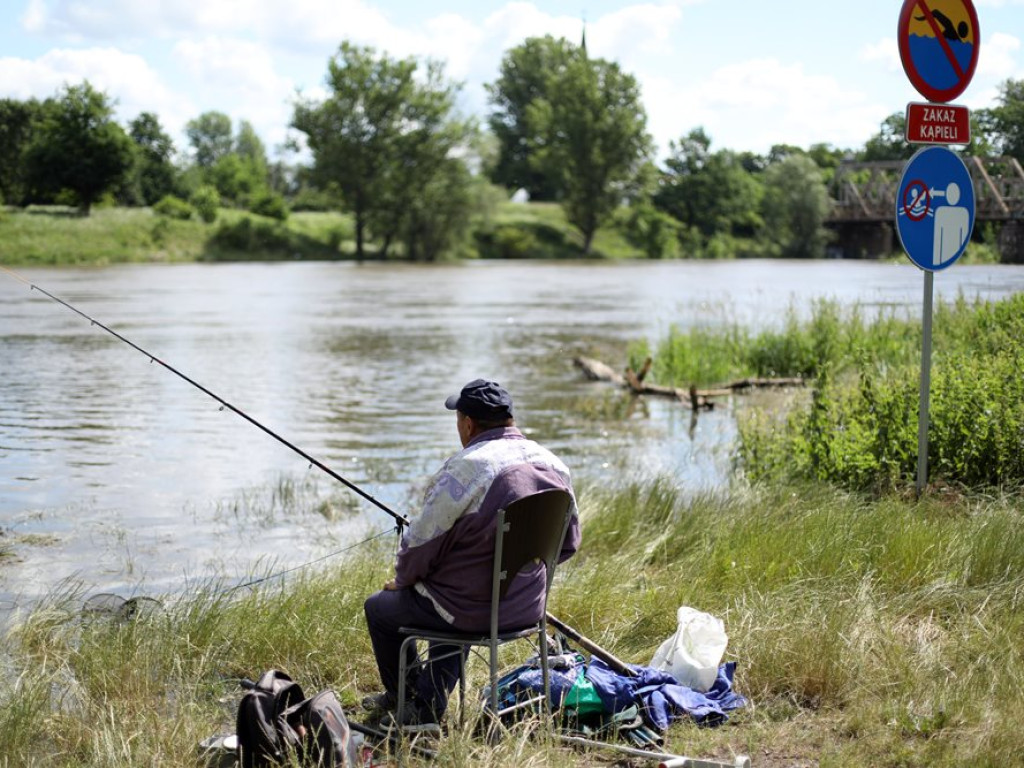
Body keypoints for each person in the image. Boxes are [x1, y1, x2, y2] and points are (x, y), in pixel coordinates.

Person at [362, 378, 580, 729]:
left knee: (382, 607)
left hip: (470, 610)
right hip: (528, 609)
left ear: (467, 423)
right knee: (451, 596)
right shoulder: (555, 466)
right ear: (509, 419)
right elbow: (567, 545)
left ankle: (410, 704)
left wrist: (403, 581)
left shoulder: (466, 468)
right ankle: (427, 698)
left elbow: (418, 544)